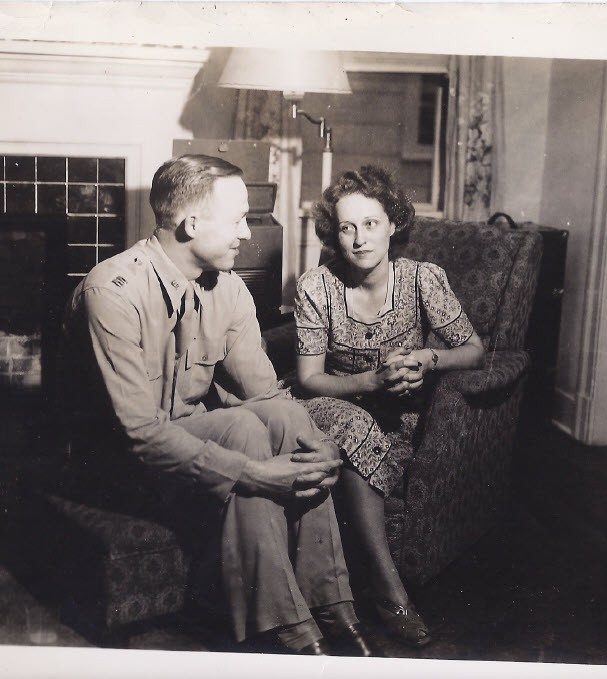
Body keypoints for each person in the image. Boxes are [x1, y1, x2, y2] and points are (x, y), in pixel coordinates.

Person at [59, 155, 379, 657]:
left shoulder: (227, 288)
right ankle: (284, 630)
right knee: (242, 431)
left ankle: (329, 603)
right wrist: (253, 473)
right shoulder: (112, 292)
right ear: (191, 224)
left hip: (182, 444)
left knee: (278, 419)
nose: (246, 234)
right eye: (237, 220)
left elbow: (267, 395)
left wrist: (314, 443)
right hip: (114, 464)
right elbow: (140, 435)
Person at [293, 165, 485, 647]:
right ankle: (389, 589)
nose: (359, 239)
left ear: (393, 223)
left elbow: (474, 349)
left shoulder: (424, 280)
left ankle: (335, 595)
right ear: (334, 234)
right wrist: (370, 380)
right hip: (329, 408)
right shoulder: (316, 287)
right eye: (346, 227)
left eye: (371, 224)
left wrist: (426, 358)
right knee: (354, 423)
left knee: (364, 437)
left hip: (400, 420)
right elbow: (309, 379)